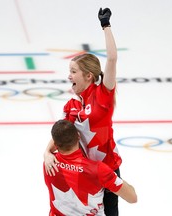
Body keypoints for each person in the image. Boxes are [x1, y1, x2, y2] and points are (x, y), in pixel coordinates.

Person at [44, 8, 123, 216]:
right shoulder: (71, 105)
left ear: (88, 76)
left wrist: (105, 26)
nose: (69, 76)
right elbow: (60, 135)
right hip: (85, 171)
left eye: (73, 72)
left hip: (107, 168)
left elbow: (112, 59)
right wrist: (46, 152)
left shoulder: (103, 96)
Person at [44, 120, 137, 216]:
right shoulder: (99, 171)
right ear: (79, 137)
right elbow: (132, 198)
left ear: (55, 144)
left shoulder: (48, 164)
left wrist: (47, 151)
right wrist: (112, 176)